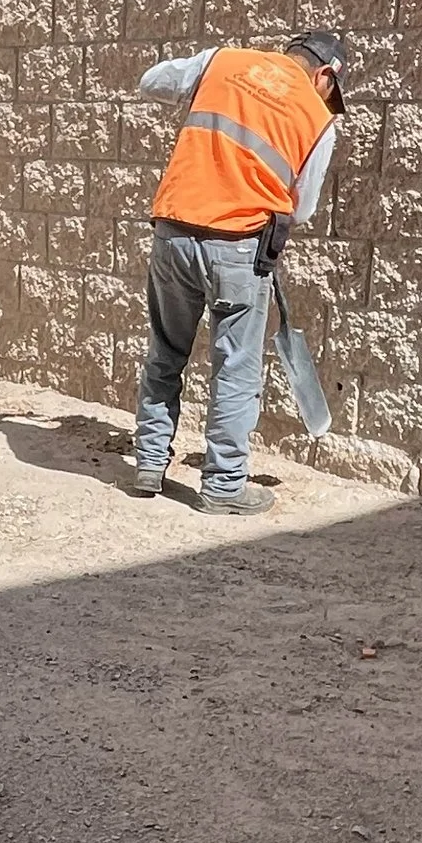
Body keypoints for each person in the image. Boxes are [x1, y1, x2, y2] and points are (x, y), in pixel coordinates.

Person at [130, 28, 345, 513]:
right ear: (325, 75)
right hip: (238, 249)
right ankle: (224, 484)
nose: (329, 99)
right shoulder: (318, 120)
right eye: (333, 91)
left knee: (166, 352)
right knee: (236, 367)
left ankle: (147, 462)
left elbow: (151, 82)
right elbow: (302, 208)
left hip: (174, 233)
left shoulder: (221, 61)